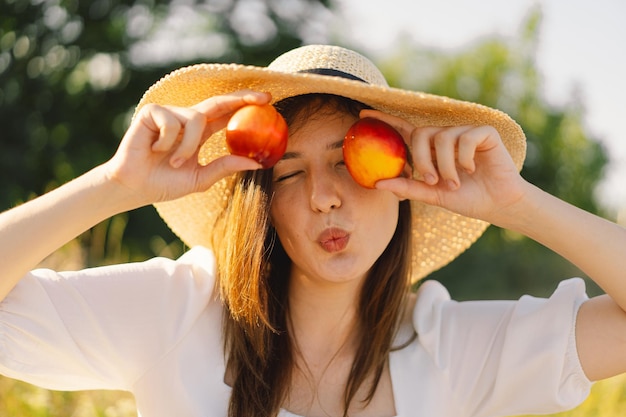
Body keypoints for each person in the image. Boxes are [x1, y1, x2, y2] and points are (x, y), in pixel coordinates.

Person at [0, 44, 625, 417]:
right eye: (290, 174)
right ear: (261, 202)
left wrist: (514, 204)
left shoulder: (448, 347)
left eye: (351, 163)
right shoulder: (175, 310)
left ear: (404, 182)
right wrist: (115, 187)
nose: (325, 198)